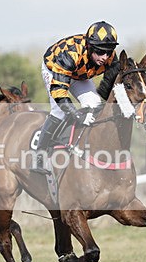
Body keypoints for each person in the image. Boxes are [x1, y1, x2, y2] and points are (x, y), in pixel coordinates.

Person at [32, 21, 121, 174]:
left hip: (79, 74)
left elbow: (110, 90)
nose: (105, 57)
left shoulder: (111, 58)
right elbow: (59, 92)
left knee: (94, 104)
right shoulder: (70, 55)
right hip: (55, 70)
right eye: (100, 52)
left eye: (108, 52)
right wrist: (77, 115)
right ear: (90, 47)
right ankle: (39, 156)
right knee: (59, 111)